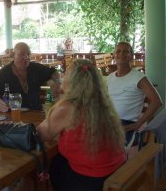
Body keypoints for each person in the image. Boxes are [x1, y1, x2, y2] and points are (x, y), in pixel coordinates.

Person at [36, 59, 126, 191]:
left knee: (48, 166)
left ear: (72, 81)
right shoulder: (101, 102)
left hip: (93, 180)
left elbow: (39, 134)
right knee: (57, 160)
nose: (62, 76)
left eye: (65, 74)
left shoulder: (67, 107)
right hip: (115, 169)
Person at [106, 42, 162, 143]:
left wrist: (138, 124)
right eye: (118, 51)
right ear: (114, 55)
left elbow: (157, 101)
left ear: (131, 56)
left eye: (125, 51)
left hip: (127, 124)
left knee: (107, 147)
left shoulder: (139, 78)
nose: (121, 54)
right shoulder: (110, 78)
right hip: (109, 122)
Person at [0, 42, 60, 112]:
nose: (26, 57)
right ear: (13, 55)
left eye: (28, 54)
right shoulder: (3, 73)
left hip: (35, 112)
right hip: (13, 114)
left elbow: (53, 72)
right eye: (22, 54)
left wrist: (57, 83)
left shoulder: (35, 68)